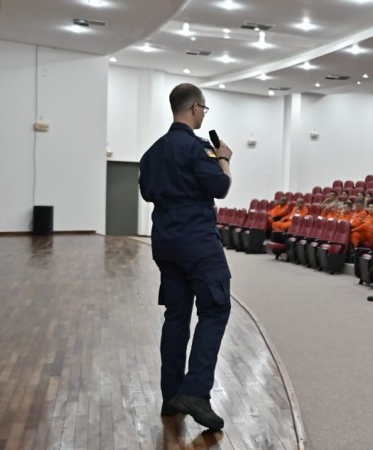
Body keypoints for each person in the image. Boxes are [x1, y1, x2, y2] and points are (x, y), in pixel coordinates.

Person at [138, 83, 232, 430]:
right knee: (216, 309)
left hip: (165, 243)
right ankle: (195, 392)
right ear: (195, 109)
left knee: (176, 316)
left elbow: (148, 193)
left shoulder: (152, 153)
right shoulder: (199, 150)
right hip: (198, 243)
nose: (202, 116)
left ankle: (171, 395)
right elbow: (220, 187)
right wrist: (223, 158)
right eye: (203, 110)